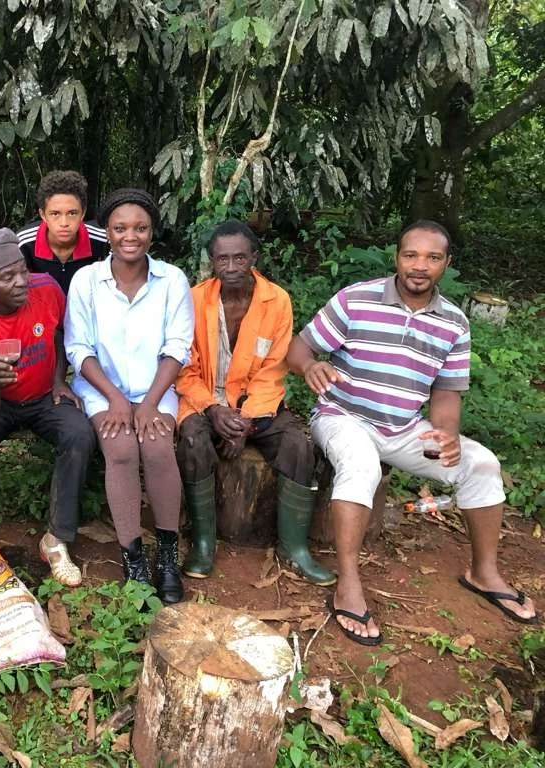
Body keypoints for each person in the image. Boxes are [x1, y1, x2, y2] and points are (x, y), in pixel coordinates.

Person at [287, 220, 538, 645]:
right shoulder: (356, 299)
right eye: (411, 255)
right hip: (342, 415)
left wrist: (446, 434)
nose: (420, 266)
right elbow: (300, 347)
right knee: (361, 467)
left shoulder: (455, 323)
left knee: (482, 465)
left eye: (432, 257)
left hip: (404, 426)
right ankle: (348, 583)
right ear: (397, 257)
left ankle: (483, 572)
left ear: (446, 263)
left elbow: (446, 391)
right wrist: (310, 366)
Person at [175, 221, 334, 586]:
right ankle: (202, 542)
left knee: (297, 445)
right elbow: (184, 367)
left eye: (239, 258)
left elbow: (273, 368)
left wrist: (244, 421)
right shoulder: (194, 300)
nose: (231, 267)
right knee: (195, 441)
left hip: (258, 405)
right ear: (212, 262)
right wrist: (213, 410)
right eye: (222, 259)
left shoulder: (275, 301)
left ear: (254, 258)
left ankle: (294, 548)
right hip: (204, 400)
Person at [65, 188, 193, 603]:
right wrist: (117, 399)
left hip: (156, 388)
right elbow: (78, 349)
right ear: (107, 232)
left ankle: (168, 556)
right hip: (103, 390)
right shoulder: (87, 280)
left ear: (151, 233)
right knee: (120, 450)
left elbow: (177, 346)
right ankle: (133, 556)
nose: (130, 236)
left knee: (157, 449)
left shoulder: (172, 279)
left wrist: (151, 402)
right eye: (120, 228)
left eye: (140, 228)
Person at [0, 228, 96, 587]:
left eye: (22, 270)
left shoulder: (46, 287)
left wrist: (59, 379)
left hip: (43, 395)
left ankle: (56, 538)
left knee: (78, 432)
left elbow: (63, 332)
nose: (21, 282)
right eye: (8, 277)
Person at [16, 170, 109, 294]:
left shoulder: (103, 240)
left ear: (83, 213)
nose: (64, 222)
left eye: (72, 213)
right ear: (43, 215)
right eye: (55, 214)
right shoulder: (23, 243)